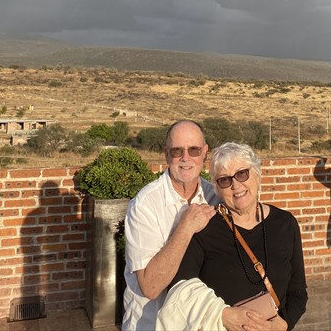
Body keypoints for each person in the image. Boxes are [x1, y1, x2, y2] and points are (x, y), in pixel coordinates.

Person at [158, 142, 308, 331]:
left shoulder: (285, 223)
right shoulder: (204, 229)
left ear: (257, 174)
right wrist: (223, 315)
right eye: (224, 180)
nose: (236, 185)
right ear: (217, 188)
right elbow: (181, 289)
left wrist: (283, 324)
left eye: (242, 174)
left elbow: (298, 291)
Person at [122, 120, 220, 330]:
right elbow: (151, 286)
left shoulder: (215, 196)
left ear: (204, 153)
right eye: (177, 151)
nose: (185, 158)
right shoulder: (145, 205)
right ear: (167, 154)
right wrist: (185, 228)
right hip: (151, 323)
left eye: (193, 150)